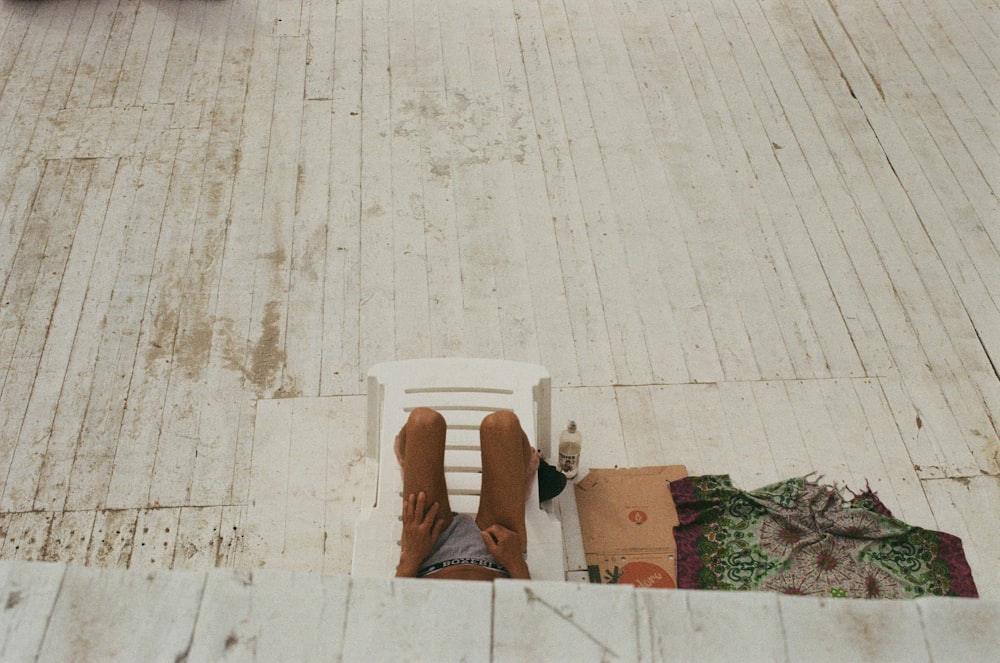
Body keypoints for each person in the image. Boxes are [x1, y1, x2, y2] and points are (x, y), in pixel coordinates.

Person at [393, 407, 539, 580]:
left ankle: (408, 464)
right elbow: (527, 606)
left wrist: (411, 556)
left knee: (422, 421)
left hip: (428, 555)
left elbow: (395, 606)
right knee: (503, 424)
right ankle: (520, 486)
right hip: (499, 560)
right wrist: (516, 562)